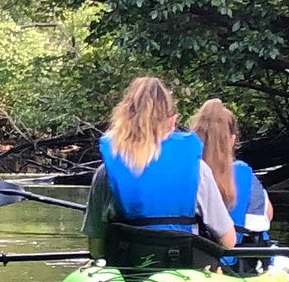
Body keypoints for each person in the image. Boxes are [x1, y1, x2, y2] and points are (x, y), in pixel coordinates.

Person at [81, 77, 236, 265]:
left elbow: (96, 249)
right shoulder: (198, 169)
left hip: (128, 274)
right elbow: (228, 241)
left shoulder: (105, 173)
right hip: (184, 274)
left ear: (123, 117)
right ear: (172, 121)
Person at [190, 99, 273, 269]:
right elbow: (266, 216)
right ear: (232, 139)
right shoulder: (244, 174)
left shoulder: (187, 171)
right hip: (235, 262)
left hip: (197, 260)